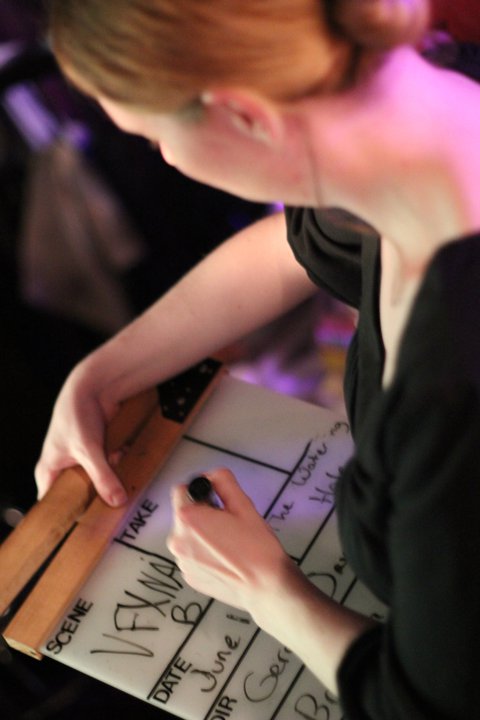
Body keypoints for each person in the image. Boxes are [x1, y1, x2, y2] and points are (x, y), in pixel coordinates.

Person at [36, 0, 480, 716]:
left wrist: (268, 588)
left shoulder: (454, 382)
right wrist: (106, 372)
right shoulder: (427, 115)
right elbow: (296, 248)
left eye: (149, 138)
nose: (165, 159)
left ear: (246, 116)